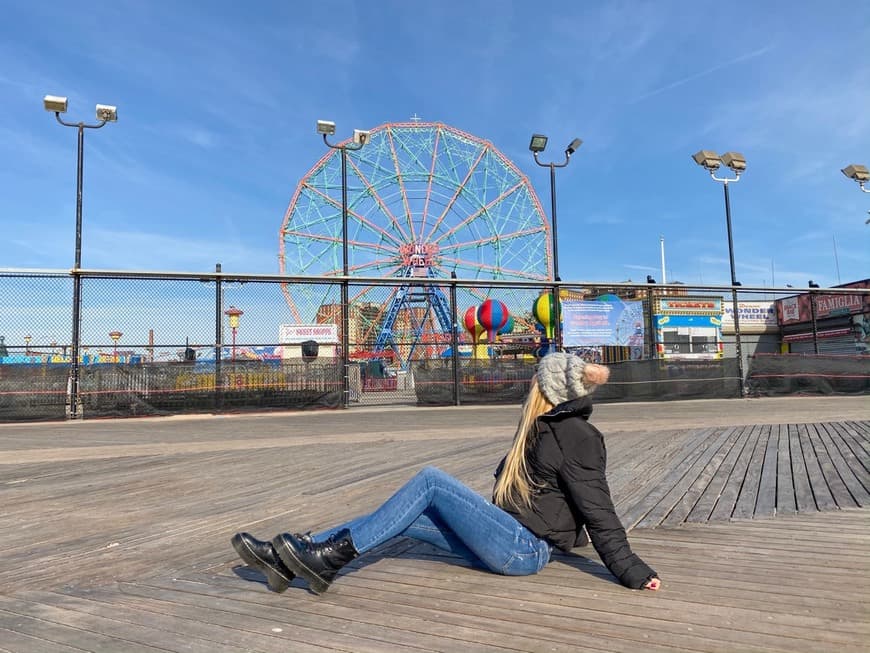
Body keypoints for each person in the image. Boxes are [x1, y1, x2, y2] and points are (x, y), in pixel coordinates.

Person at [231, 352, 660, 595]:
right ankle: (291, 559)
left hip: (525, 550)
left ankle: (329, 559)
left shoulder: (578, 436)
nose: (529, 384)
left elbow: (599, 509)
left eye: (534, 380)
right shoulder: (541, 429)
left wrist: (633, 571)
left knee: (431, 480)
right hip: (509, 536)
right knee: (406, 517)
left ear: (546, 390)